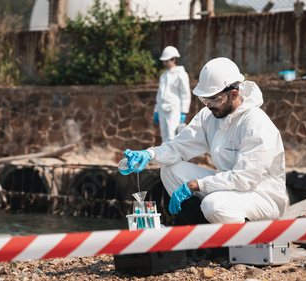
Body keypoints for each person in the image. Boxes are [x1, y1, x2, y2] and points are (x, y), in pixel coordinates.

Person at [123, 57, 288, 224]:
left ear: (233, 94)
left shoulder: (255, 122)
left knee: (214, 205)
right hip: (231, 190)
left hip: (262, 195)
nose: (209, 105)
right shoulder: (209, 116)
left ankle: (240, 244)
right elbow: (179, 146)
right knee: (170, 171)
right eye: (205, 99)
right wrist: (149, 154)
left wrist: (196, 185)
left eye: (214, 99)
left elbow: (244, 178)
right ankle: (204, 237)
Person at [154, 46, 191, 143]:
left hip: (174, 109)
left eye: (167, 61)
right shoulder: (163, 76)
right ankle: (166, 158)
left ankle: (174, 158)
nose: (165, 63)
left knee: (172, 136)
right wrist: (156, 110)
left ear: (174, 59)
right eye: (164, 61)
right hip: (162, 109)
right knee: (164, 137)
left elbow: (185, 93)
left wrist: (183, 111)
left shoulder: (181, 74)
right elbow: (159, 95)